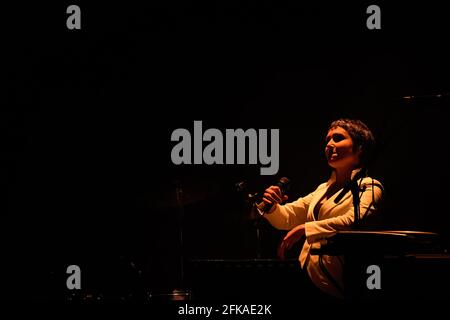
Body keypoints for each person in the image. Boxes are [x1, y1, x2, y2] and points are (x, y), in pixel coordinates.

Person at [259, 119, 383, 299]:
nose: (330, 144)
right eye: (328, 140)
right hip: (309, 279)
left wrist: (307, 228)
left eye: (338, 138)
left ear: (360, 147)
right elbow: (288, 217)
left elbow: (355, 220)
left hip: (341, 283)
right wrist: (272, 207)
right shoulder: (322, 189)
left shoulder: (369, 186)